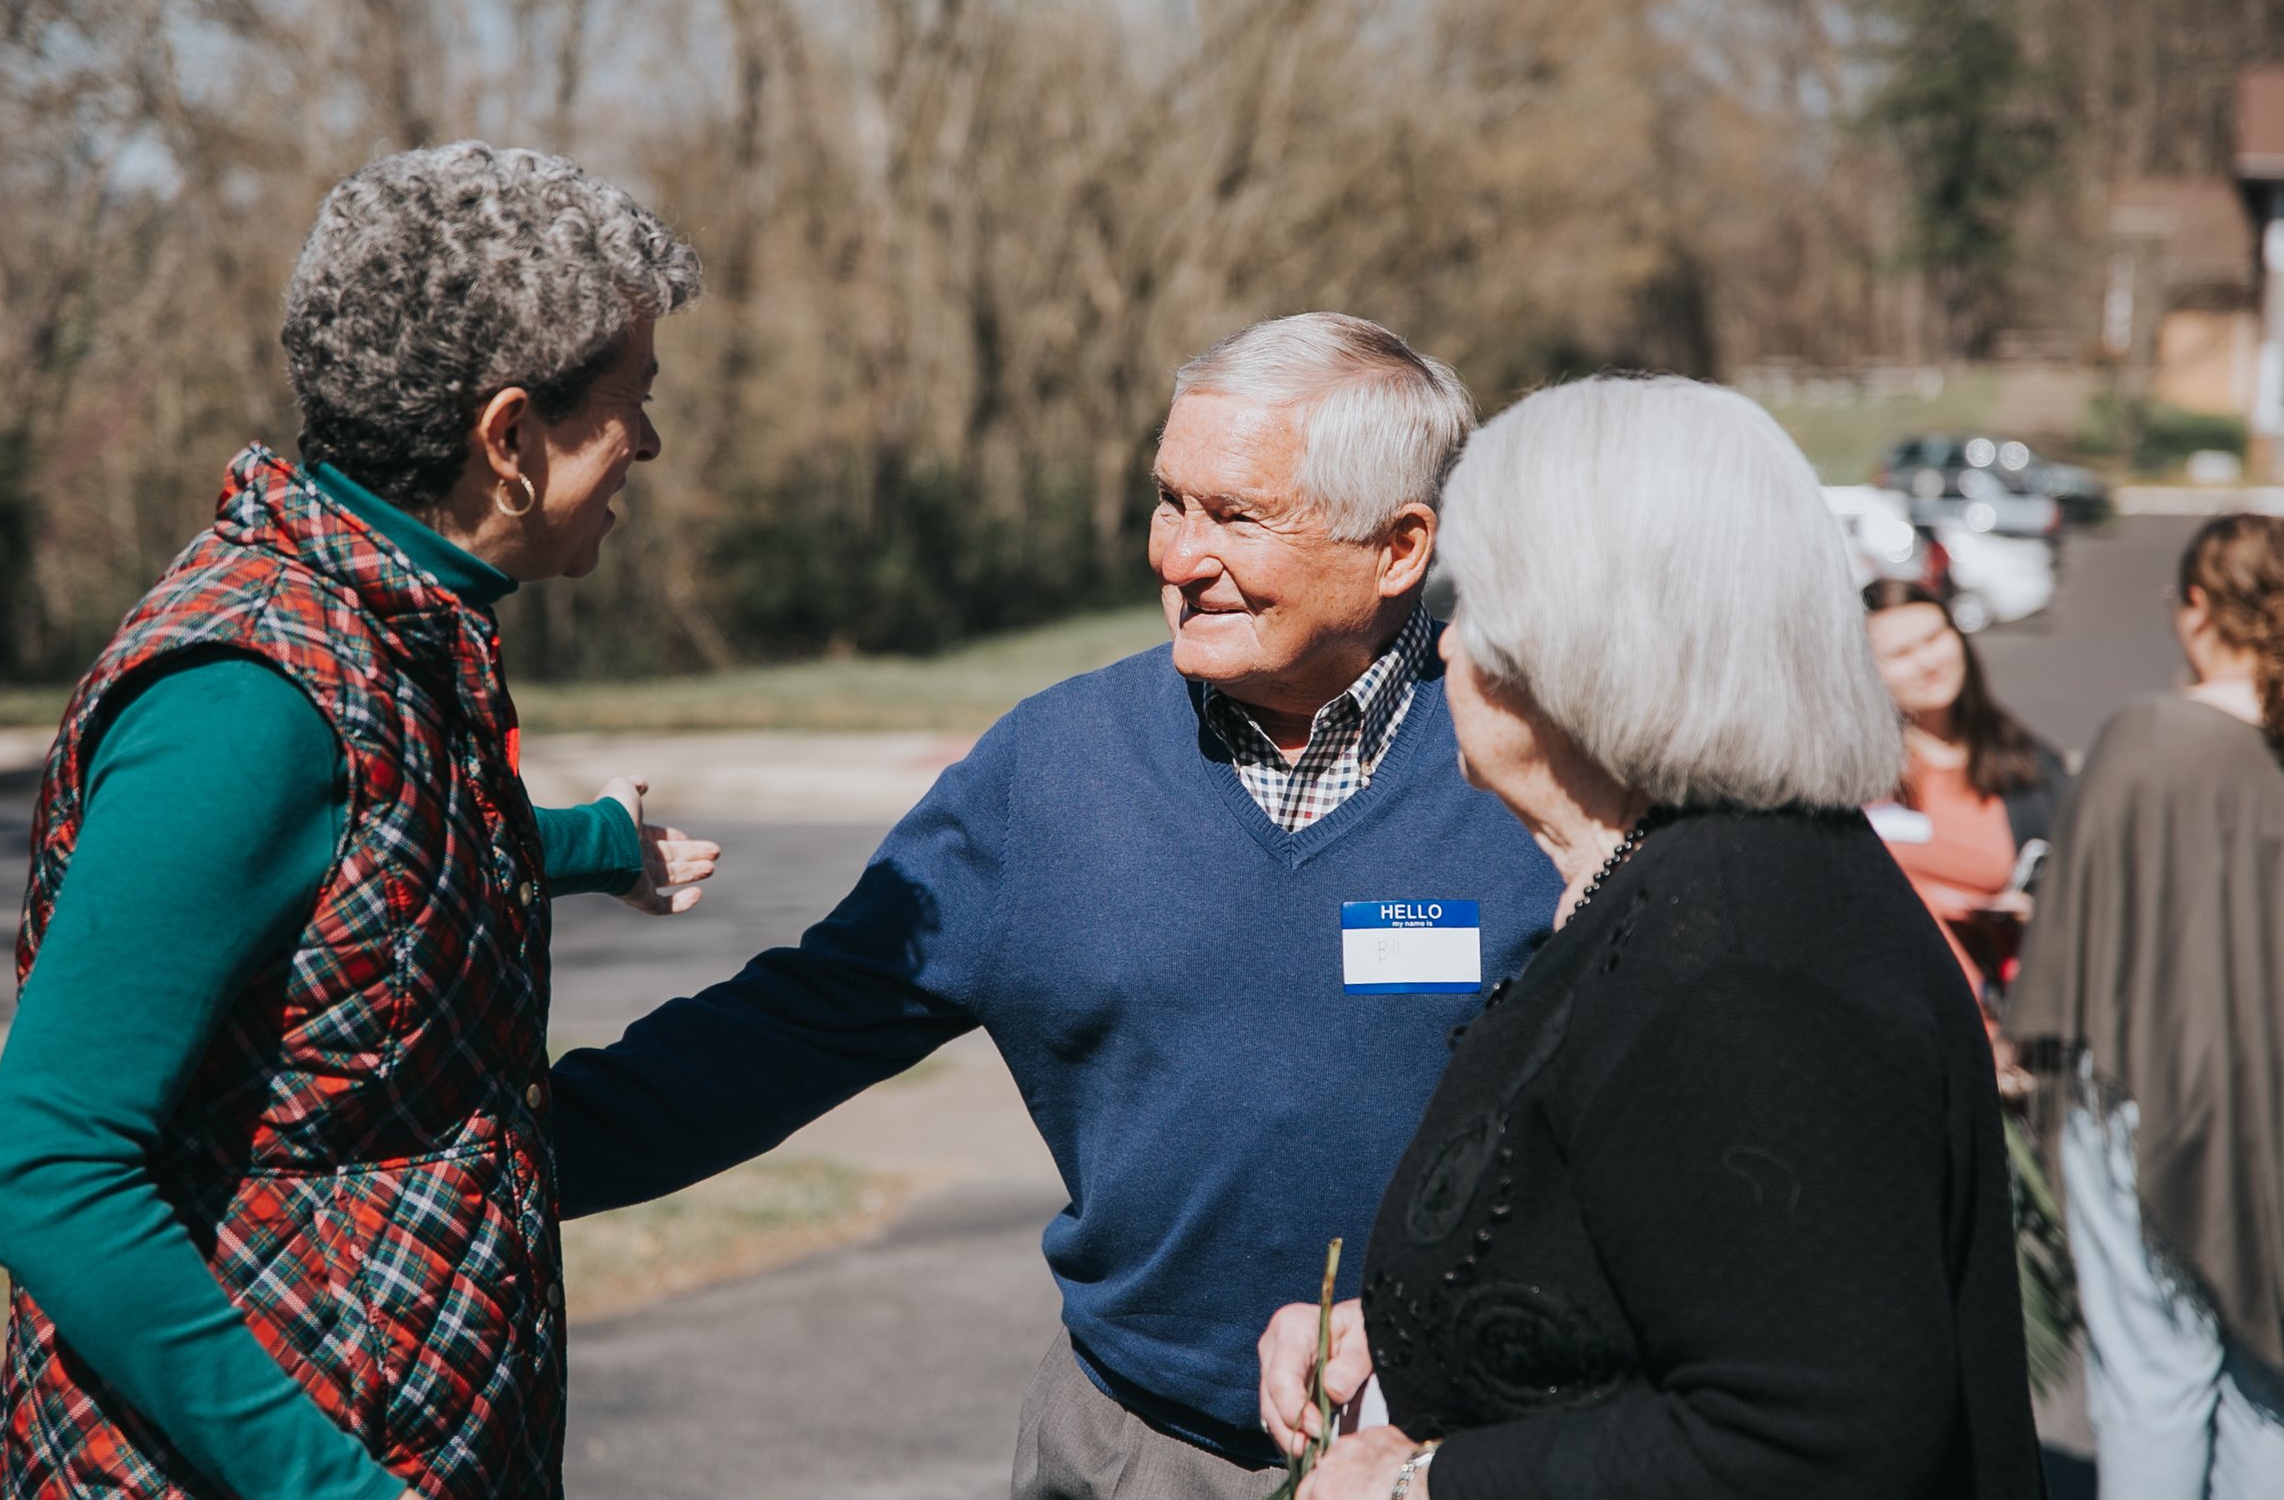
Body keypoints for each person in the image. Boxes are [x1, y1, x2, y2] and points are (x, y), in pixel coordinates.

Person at [549, 313, 1565, 1498]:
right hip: (1132, 1448)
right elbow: (793, 1027)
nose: (1177, 556)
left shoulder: (1538, 764)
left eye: (1235, 516)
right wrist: (489, 1157)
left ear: (1398, 548)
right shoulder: (1053, 767)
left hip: (1459, 1453)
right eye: (1169, 501)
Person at [0, 143, 719, 1500]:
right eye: (630, 402)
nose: (649, 443)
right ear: (508, 438)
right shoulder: (245, 702)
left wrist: (603, 843)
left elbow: (393, 862)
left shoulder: (393, 633)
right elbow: (49, 1172)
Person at [1257, 377, 2043, 1500]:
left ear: (1569, 643)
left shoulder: (1740, 951)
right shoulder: (1687, 875)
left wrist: (1419, 1479)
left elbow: (1811, 1437)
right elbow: (1657, 1264)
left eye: (1470, 604)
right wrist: (1407, 1335)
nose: (1441, 654)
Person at [2005, 513, 2284, 1500]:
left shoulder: (2145, 741)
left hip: (2154, 1116)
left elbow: (2069, 953)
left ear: (2193, 605)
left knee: (2152, 1385)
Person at [1861, 579, 2070, 1016]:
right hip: (1892, 1019)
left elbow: (2080, 891)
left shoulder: (2030, 766)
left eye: (1935, 637)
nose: (1927, 661)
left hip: (2004, 1024)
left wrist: (2036, 909)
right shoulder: (1852, 778)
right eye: (1900, 653)